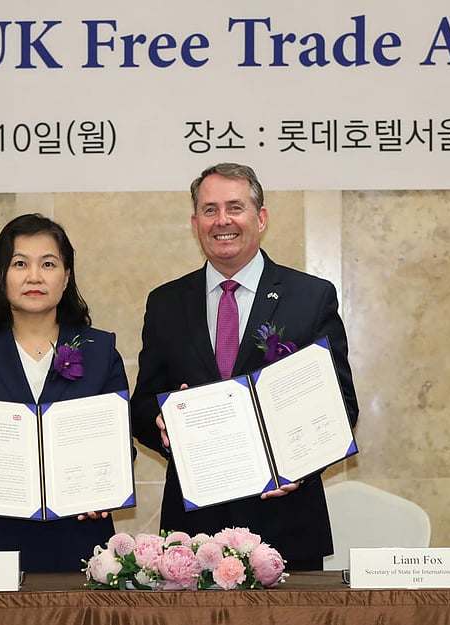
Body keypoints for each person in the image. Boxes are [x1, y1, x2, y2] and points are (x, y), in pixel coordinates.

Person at [130, 163, 359, 571]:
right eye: (210, 209)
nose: (222, 221)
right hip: (191, 531)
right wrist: (162, 425)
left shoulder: (310, 297)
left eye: (235, 207)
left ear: (261, 217)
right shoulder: (165, 302)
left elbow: (342, 405)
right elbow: (143, 403)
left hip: (284, 523)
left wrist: (301, 469)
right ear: (195, 221)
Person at [0, 213, 129, 572]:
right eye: (20, 263)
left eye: (48, 264)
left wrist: (108, 486)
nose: (34, 276)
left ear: (66, 277)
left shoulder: (100, 350)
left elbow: (119, 445)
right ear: (1, 275)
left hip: (78, 538)